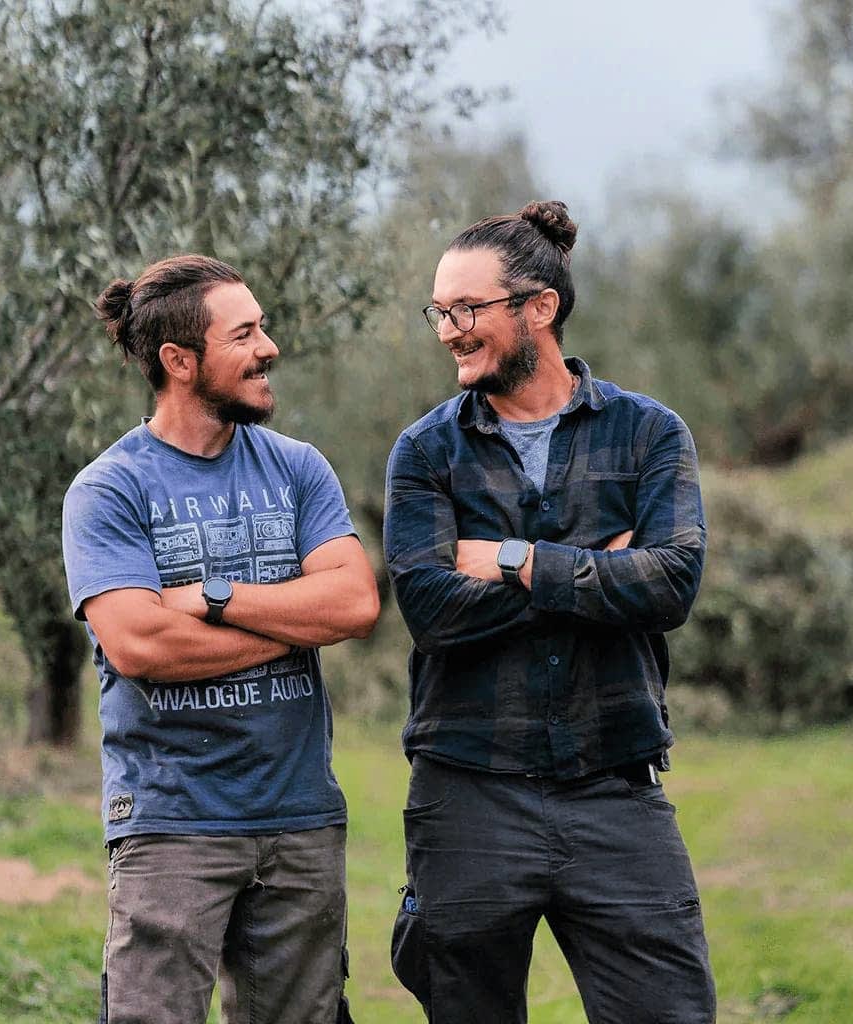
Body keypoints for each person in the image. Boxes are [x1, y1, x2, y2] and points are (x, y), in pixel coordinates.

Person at [384, 201, 715, 1023]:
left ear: (540, 307)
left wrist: (514, 560)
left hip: (615, 785)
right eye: (439, 312)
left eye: (467, 309)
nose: (449, 331)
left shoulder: (648, 434)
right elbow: (431, 609)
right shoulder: (425, 451)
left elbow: (670, 585)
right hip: (467, 792)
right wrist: (601, 566)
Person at [61, 254, 379, 1024]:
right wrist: (293, 625)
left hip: (300, 819)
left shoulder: (298, 468)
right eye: (244, 335)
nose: (269, 347)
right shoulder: (110, 489)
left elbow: (353, 602)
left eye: (261, 327)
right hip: (170, 822)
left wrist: (216, 598)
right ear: (180, 361)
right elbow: (141, 647)